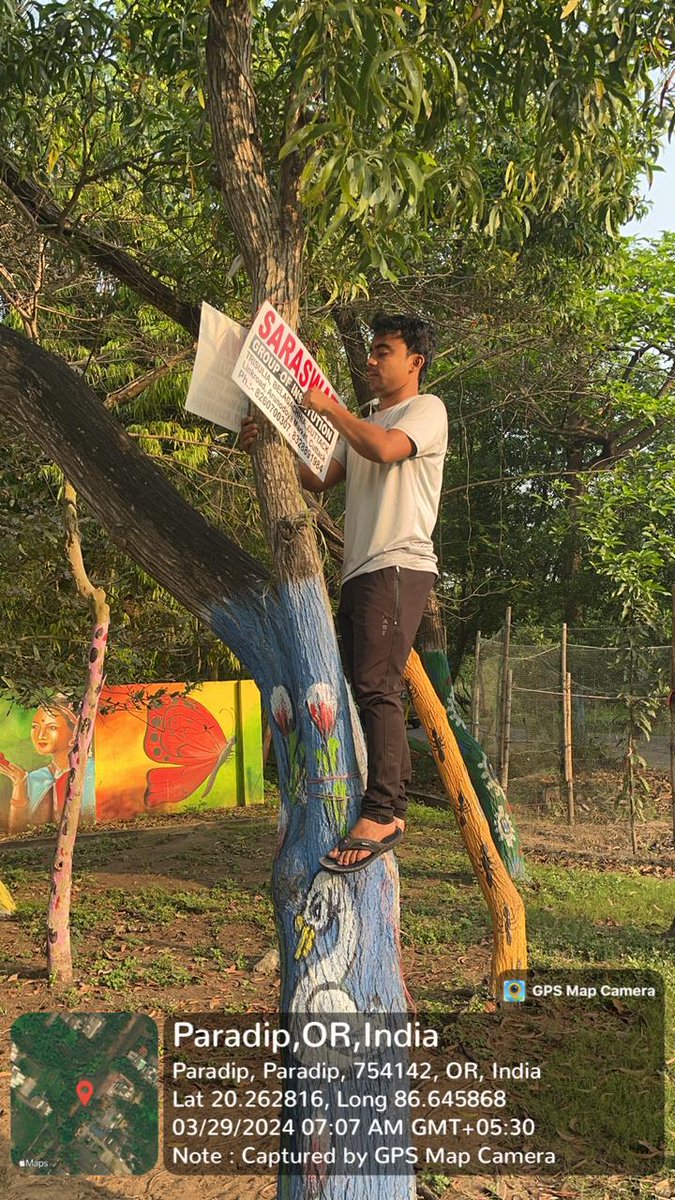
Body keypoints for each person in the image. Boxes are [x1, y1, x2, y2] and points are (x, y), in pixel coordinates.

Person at [240, 312, 447, 873]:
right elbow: (320, 478)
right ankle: (377, 795)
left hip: (398, 563)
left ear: (414, 362)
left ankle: (386, 810)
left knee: (378, 684)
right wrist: (268, 444)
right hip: (359, 569)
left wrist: (332, 410)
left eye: (384, 351)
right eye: (372, 352)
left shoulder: (424, 411)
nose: (373, 361)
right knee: (360, 685)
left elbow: (385, 451)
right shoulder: (369, 422)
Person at [0, 696, 96, 834]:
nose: (40, 735)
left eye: (52, 727)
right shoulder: (35, 778)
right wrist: (19, 784)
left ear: (74, 733)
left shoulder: (92, 772)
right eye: (35, 727)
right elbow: (16, 832)